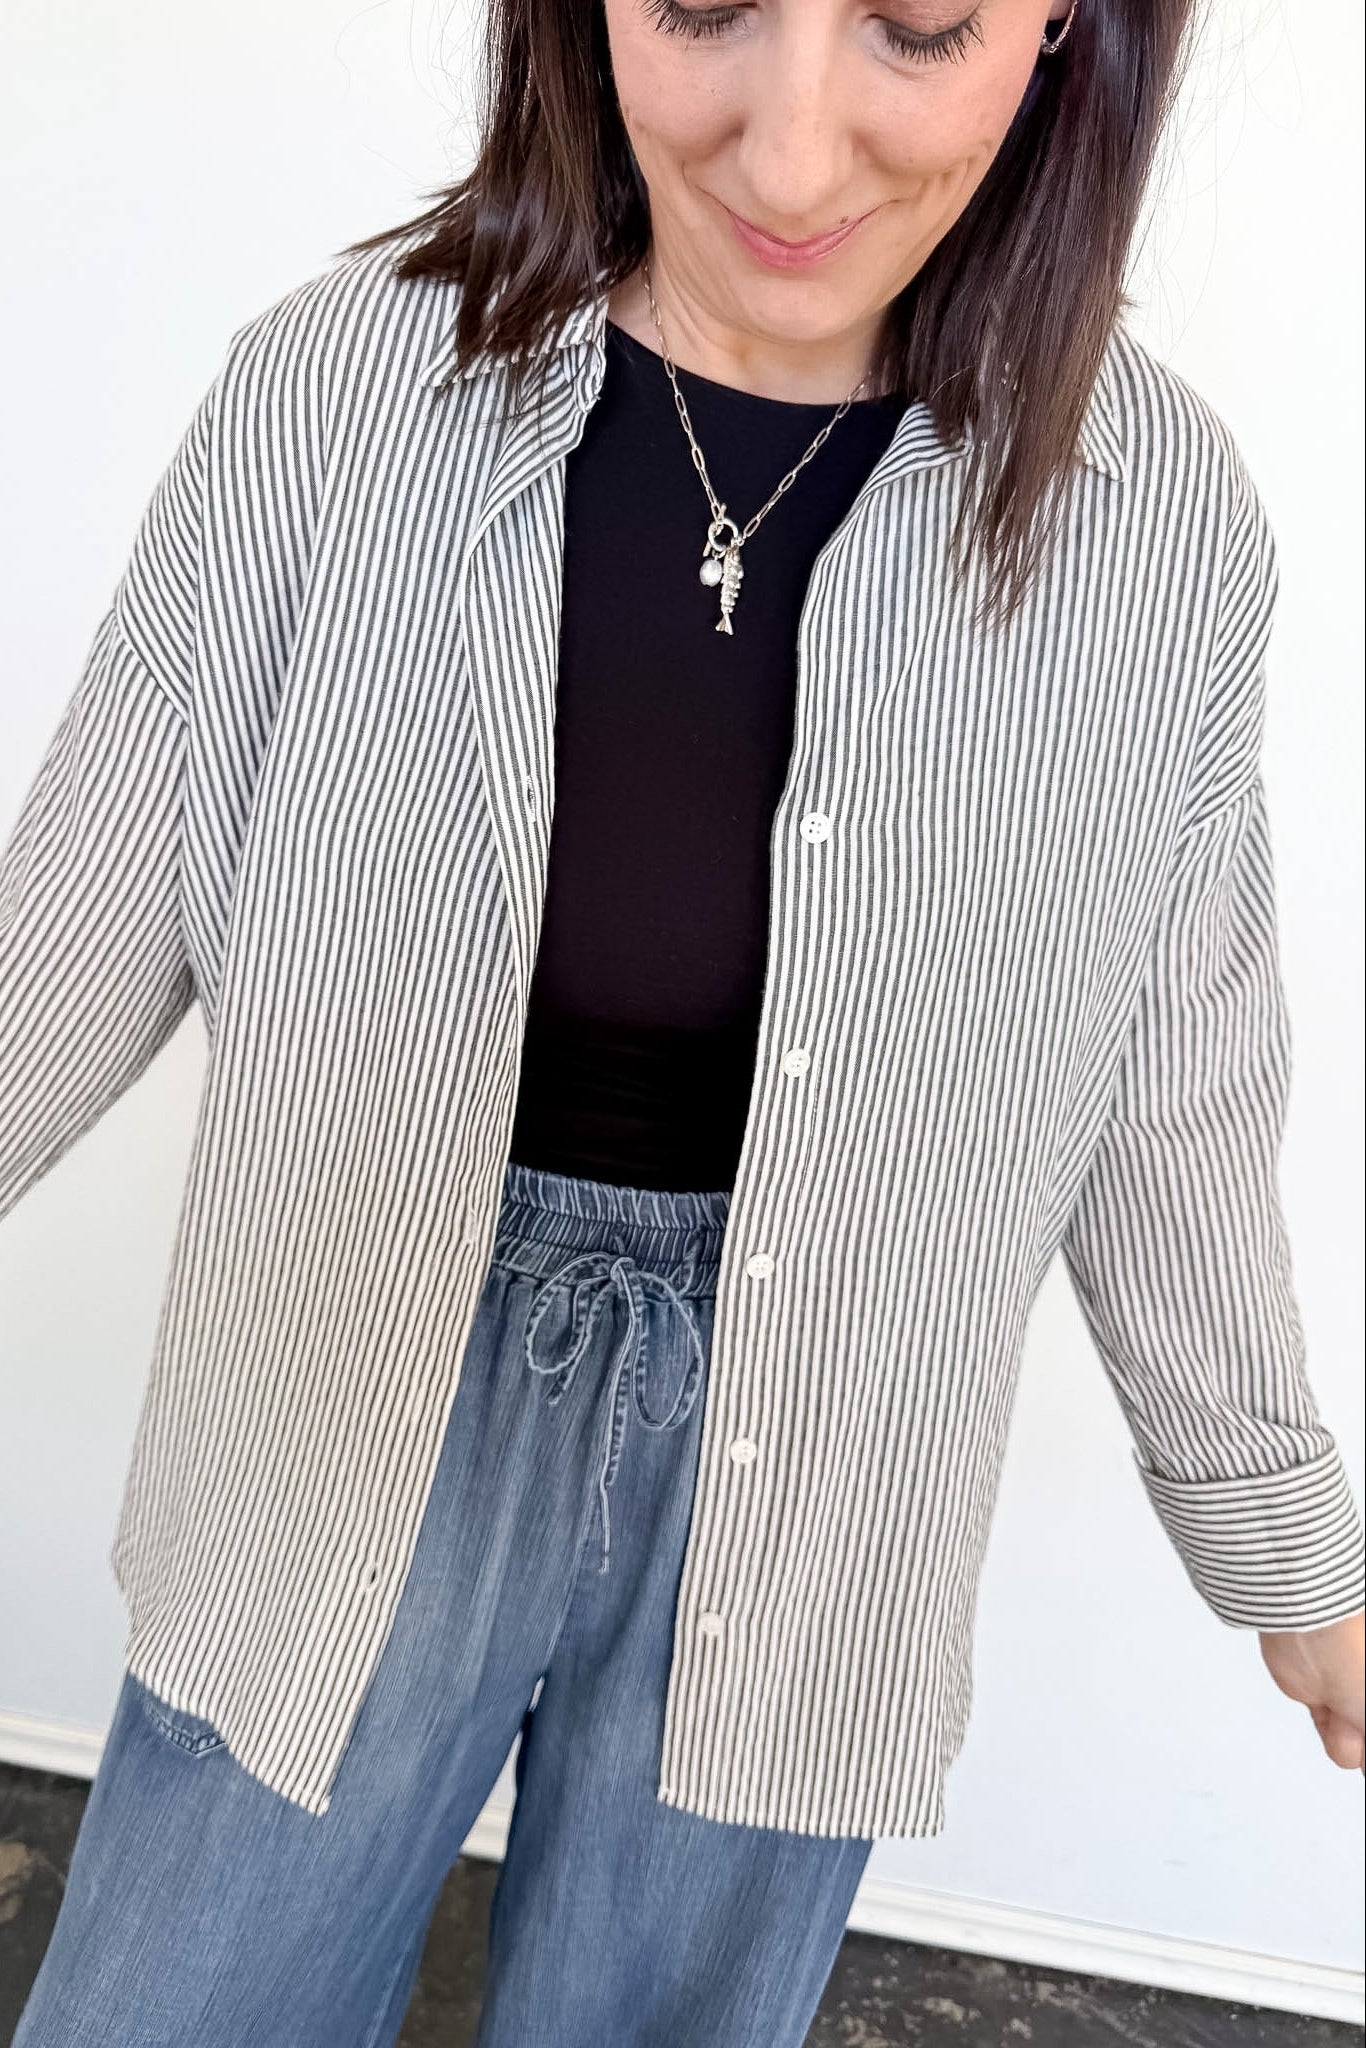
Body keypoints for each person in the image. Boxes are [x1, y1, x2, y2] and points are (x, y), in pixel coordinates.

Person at [5, 0, 1364, 2042]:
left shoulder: (1152, 532)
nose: (789, 157)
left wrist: (1287, 1544)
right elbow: (80, 910)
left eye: (913, 29)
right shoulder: (340, 390)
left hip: (834, 1439)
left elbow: (1168, 1098)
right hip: (343, 1369)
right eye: (701, 7)